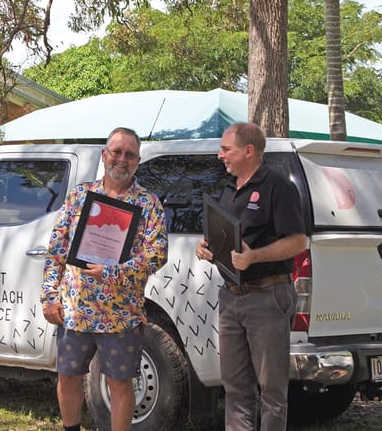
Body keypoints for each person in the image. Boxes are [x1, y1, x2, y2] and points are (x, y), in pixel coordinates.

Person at [40, 127, 168, 431]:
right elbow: (56, 250)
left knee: (120, 384)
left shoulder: (149, 205)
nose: (121, 159)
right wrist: (48, 296)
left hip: (121, 315)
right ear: (104, 155)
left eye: (129, 154)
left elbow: (157, 255)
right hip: (75, 311)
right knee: (68, 376)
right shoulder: (79, 197)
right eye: (116, 152)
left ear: (137, 161)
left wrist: (114, 272)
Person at [196, 122, 307, 431]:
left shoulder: (278, 186)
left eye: (225, 149)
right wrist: (205, 248)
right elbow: (223, 234)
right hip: (231, 297)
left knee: (271, 391)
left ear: (249, 151)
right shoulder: (229, 188)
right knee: (235, 388)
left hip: (268, 298)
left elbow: (298, 241)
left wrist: (255, 256)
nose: (220, 156)